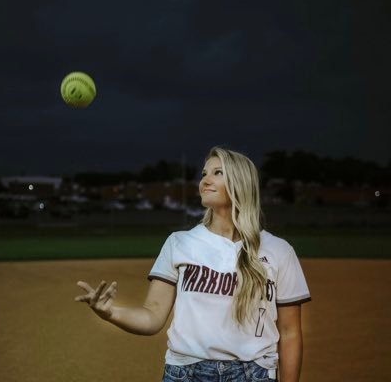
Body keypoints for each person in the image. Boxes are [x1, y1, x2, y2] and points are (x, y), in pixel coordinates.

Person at [75, 146, 311, 382]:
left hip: (254, 374)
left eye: (217, 173)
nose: (205, 180)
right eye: (204, 173)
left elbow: (289, 333)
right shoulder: (179, 243)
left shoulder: (279, 250)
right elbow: (153, 316)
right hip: (185, 373)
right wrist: (110, 313)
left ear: (241, 182)